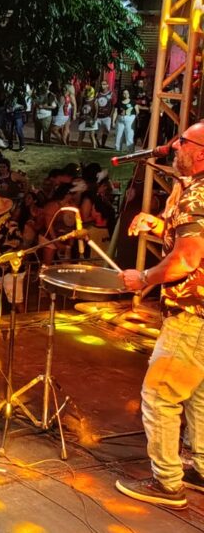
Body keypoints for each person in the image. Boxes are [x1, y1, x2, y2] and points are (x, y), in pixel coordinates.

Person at [115, 122, 204, 509]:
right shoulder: (194, 191)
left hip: (192, 313)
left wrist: (144, 278)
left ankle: (167, 483)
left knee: (160, 395)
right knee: (198, 396)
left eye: (183, 141)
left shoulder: (196, 196)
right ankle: (201, 468)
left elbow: (187, 259)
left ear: (200, 153)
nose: (174, 146)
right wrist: (160, 224)